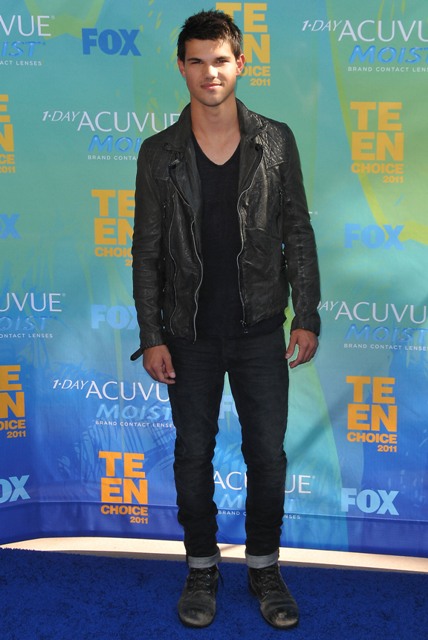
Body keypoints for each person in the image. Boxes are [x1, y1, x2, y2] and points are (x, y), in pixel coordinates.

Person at [132, 9, 321, 630]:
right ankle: (201, 569)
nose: (209, 73)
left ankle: (264, 567)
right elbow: (146, 251)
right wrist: (152, 336)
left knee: (267, 455)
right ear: (181, 67)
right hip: (187, 335)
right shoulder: (158, 153)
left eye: (220, 60)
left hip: (261, 328)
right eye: (197, 61)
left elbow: (297, 232)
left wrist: (306, 314)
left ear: (240, 64)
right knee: (193, 455)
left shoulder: (276, 140)